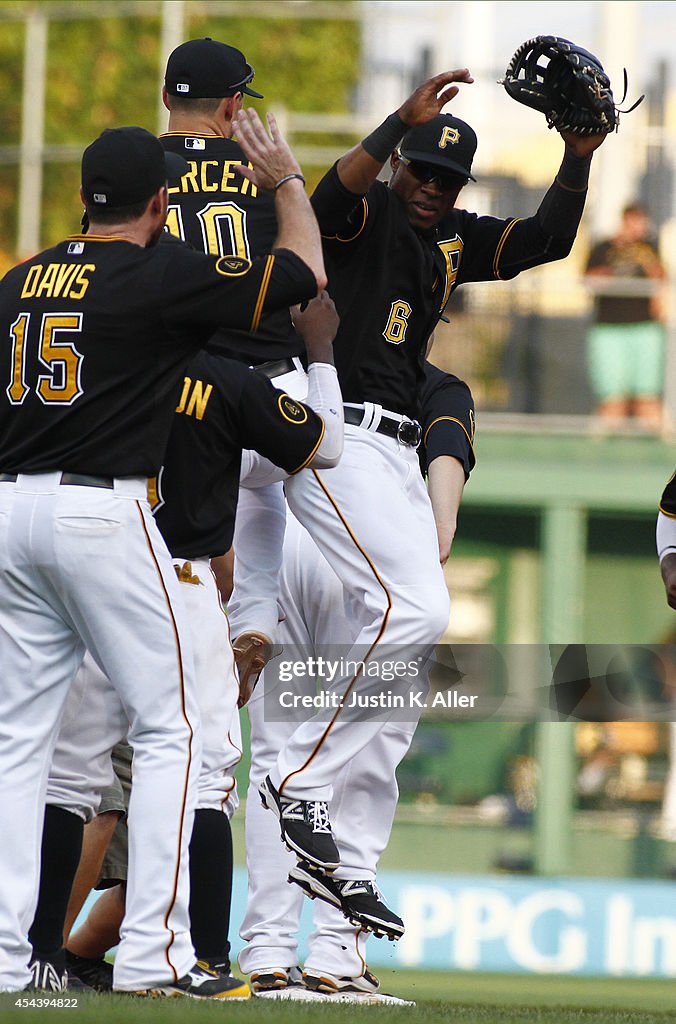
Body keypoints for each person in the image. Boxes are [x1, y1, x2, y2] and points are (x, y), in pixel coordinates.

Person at [251, 68, 607, 897]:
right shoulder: (364, 210)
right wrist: (389, 128)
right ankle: (303, 779)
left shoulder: (451, 237)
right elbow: (327, 202)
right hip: (338, 431)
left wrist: (578, 156)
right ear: (403, 164)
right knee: (417, 609)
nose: (433, 189)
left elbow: (545, 241)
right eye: (424, 171)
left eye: (448, 180)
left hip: (399, 457)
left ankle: (333, 910)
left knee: (404, 664)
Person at [0, 117, 326, 996]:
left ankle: (5, 961)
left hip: (12, 510)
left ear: (80, 198)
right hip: (100, 510)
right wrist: (288, 182)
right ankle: (157, 955)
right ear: (160, 202)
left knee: (17, 743)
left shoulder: (23, 278)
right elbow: (302, 276)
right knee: (182, 727)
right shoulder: (155, 272)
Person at [31, 291, 342, 993]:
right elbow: (329, 447)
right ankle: (200, 958)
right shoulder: (230, 376)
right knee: (204, 770)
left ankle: (39, 958)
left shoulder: (104, 357)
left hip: (82, 562)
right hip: (176, 577)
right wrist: (320, 352)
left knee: (69, 776)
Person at [240, 365, 475, 1002]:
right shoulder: (421, 377)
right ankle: (336, 954)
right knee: (362, 756)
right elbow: (448, 447)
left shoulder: (287, 348)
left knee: (277, 756)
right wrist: (439, 527)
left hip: (285, 520)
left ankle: (266, 951)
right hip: (369, 521)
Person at [159, 37, 313, 666]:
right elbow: (311, 271)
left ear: (168, 96)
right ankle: (254, 617)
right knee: (270, 490)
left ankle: (192, 637)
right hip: (278, 388)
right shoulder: (265, 165)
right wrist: (291, 182)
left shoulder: (136, 166)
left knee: (173, 548)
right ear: (232, 107)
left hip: (183, 394)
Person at [585, 202, 667, 430]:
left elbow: (661, 280)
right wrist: (615, 270)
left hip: (644, 327)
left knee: (647, 398)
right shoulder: (603, 248)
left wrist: (647, 260)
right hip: (610, 326)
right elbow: (590, 280)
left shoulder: (649, 248)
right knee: (613, 399)